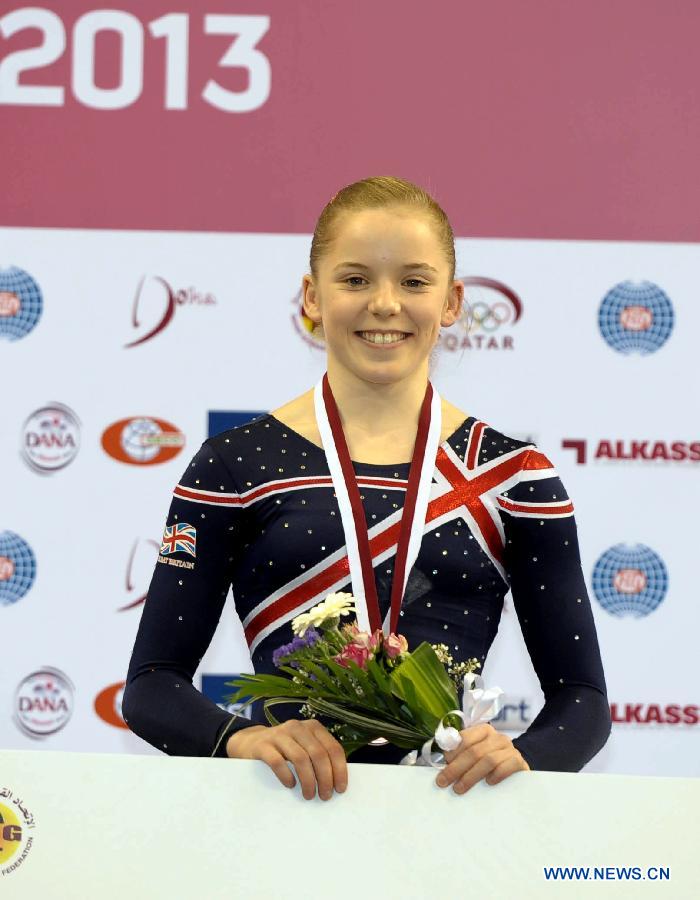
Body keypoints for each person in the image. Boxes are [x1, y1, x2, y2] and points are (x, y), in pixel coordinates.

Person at [122, 176, 611, 802]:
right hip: (285, 813)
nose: (384, 304)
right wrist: (243, 741)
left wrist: (521, 756)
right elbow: (151, 686)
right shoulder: (235, 464)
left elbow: (583, 702)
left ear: (454, 300)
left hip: (452, 818)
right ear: (312, 297)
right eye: (355, 279)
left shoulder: (514, 476)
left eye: (414, 281)